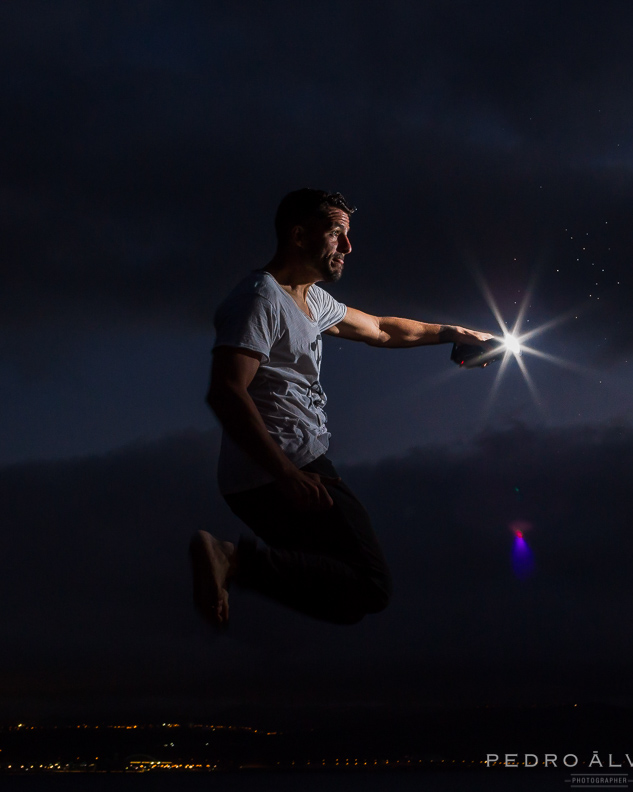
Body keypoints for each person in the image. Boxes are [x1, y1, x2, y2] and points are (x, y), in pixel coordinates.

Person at [191, 188, 494, 628]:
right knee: (371, 584)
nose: (348, 248)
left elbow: (380, 329)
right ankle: (231, 559)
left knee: (347, 595)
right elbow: (225, 391)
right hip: (284, 467)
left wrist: (455, 331)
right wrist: (286, 474)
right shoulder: (259, 299)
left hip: (265, 478)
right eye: (337, 234)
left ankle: (234, 564)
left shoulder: (311, 299)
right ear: (298, 235)